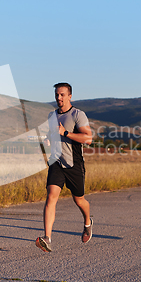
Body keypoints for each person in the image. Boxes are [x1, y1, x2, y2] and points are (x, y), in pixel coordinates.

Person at [36, 83, 93, 252]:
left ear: (70, 96)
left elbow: (88, 138)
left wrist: (65, 133)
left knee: (79, 200)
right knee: (51, 196)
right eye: (56, 95)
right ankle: (47, 238)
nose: (59, 98)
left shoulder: (78, 114)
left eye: (62, 95)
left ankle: (88, 222)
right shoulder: (51, 115)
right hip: (56, 163)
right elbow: (52, 133)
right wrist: (49, 139)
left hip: (74, 164)